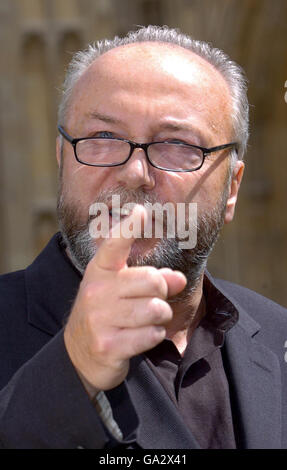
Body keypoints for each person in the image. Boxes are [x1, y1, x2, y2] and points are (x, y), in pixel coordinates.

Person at [0, 25, 286, 450]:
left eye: (176, 143)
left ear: (231, 188)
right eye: (103, 138)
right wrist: (73, 368)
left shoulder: (278, 335)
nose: (135, 173)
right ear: (62, 160)